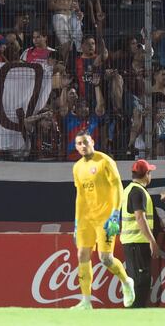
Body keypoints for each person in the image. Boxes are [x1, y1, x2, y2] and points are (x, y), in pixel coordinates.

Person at [71, 129, 135, 309]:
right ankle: (86, 301)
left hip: (105, 218)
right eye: (79, 143)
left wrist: (115, 214)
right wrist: (77, 223)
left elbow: (117, 188)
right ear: (76, 147)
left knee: (105, 258)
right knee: (82, 254)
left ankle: (126, 281)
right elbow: (80, 196)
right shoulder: (77, 167)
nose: (83, 146)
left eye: (85, 142)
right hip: (86, 219)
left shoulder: (105, 161)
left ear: (92, 141)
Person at [120, 159, 160, 308]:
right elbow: (139, 217)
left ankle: (136, 315)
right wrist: (152, 241)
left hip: (133, 242)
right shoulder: (138, 191)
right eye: (150, 172)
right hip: (137, 242)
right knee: (141, 283)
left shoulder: (129, 189)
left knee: (138, 282)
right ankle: (135, 316)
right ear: (146, 174)